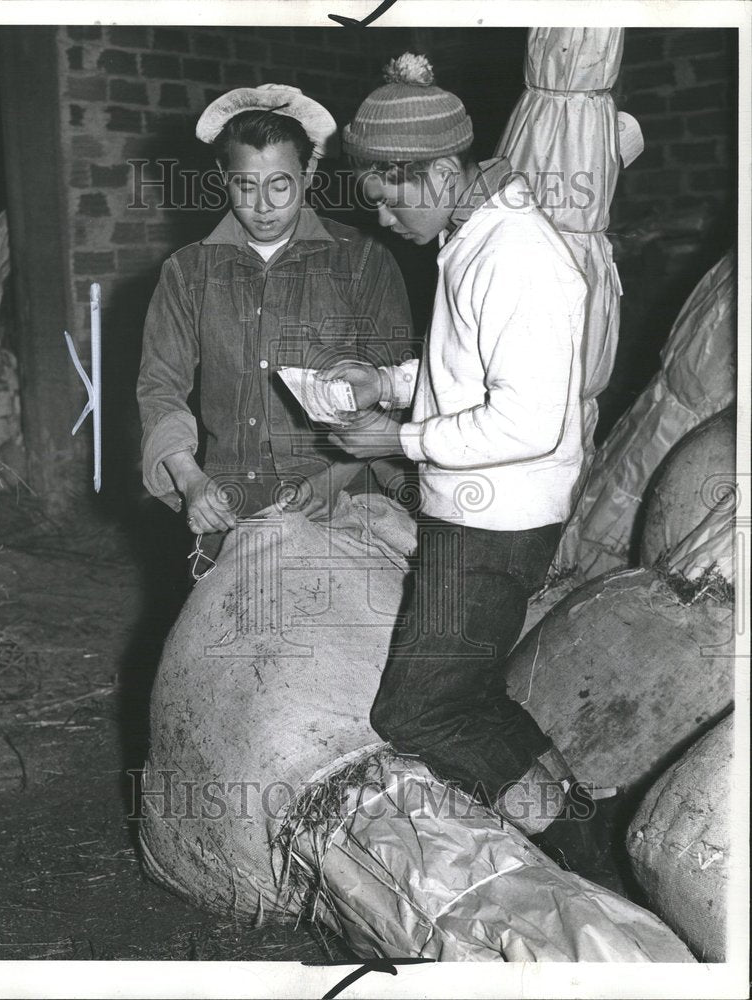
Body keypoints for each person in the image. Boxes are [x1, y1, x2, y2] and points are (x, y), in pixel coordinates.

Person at [323, 54, 620, 889]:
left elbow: (527, 420)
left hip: (499, 520)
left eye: (391, 196)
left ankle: (586, 847)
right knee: (460, 691)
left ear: (443, 171)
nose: (383, 217)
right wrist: (393, 383)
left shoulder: (516, 257)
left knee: (420, 708)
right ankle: (570, 811)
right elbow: (471, 375)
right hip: (475, 508)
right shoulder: (473, 233)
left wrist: (402, 443)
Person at [137, 84, 415, 577]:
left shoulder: (364, 261)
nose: (264, 206)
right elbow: (161, 390)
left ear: (307, 175)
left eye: (281, 185)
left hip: (346, 495)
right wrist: (190, 479)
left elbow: (395, 389)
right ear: (223, 177)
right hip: (227, 498)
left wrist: (336, 478)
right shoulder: (186, 272)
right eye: (246, 186)